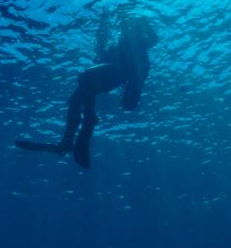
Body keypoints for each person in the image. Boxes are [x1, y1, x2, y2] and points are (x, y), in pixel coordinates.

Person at [16, 12, 158, 168]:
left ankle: (81, 130)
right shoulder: (123, 42)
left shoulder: (139, 42)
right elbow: (103, 54)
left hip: (116, 74)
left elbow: (153, 40)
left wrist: (144, 23)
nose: (126, 29)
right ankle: (67, 142)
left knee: (85, 80)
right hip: (108, 76)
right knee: (77, 97)